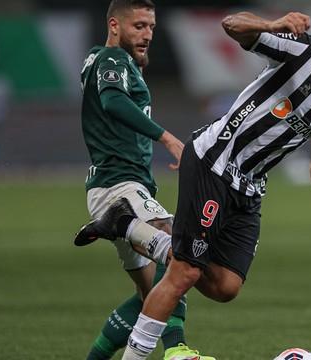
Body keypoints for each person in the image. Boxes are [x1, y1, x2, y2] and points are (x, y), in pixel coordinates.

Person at [77, 9, 311, 360]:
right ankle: (155, 351)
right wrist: (273, 25)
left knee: (225, 286)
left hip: (250, 186)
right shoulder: (304, 52)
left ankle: (127, 225)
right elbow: (232, 26)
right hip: (212, 163)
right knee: (185, 270)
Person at [77, 0, 214, 359]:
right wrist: (167, 138)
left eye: (151, 27)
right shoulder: (112, 60)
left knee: (152, 294)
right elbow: (112, 102)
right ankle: (176, 350)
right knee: (183, 253)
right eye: (138, 26)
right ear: (113, 26)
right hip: (120, 185)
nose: (147, 34)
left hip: (112, 186)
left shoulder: (102, 60)